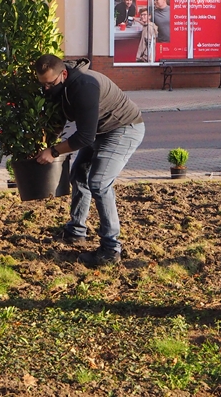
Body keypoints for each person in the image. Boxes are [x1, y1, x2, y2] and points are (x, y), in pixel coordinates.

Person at [33, 54, 145, 266]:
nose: (46, 89)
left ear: (63, 74)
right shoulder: (61, 85)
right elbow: (60, 118)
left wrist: (54, 151)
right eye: (42, 84)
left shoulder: (85, 85)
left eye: (50, 84)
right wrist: (45, 141)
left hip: (123, 128)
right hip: (101, 130)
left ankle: (111, 249)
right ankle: (76, 231)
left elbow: (85, 137)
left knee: (99, 182)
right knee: (79, 175)